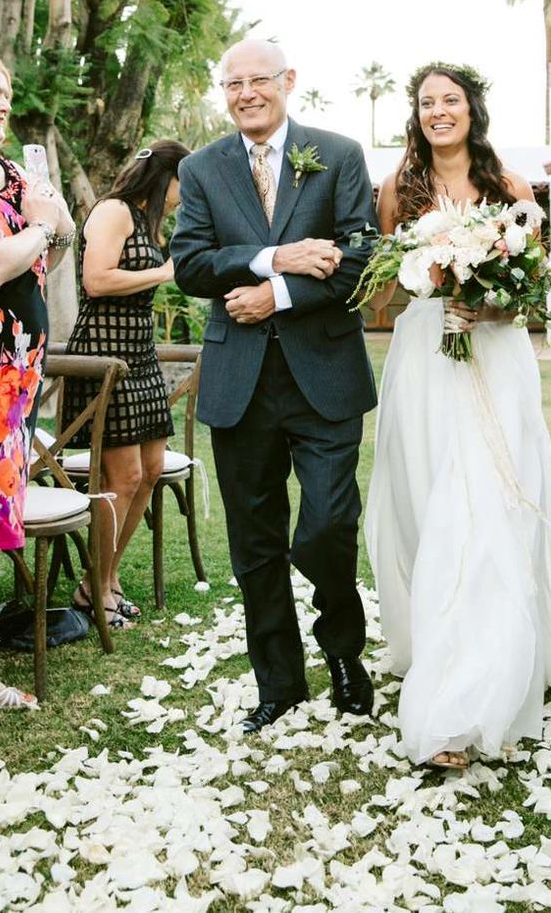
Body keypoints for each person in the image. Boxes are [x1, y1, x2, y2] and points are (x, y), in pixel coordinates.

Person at [364, 61, 551, 770]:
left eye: (451, 100)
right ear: (416, 114)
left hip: (496, 362)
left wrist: (487, 300)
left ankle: (466, 698)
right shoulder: (396, 191)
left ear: (473, 109)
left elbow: (530, 299)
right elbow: (385, 302)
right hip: (423, 363)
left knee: (485, 509)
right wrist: (427, 278)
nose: (439, 111)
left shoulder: (513, 189)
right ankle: (439, 644)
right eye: (427, 102)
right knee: (426, 505)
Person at [171, 39, 377, 733]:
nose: (247, 93)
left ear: (288, 81)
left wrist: (276, 296)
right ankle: (279, 683)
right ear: (223, 93)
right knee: (255, 543)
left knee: (327, 525)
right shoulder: (202, 170)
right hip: (240, 381)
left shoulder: (338, 155)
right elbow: (191, 265)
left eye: (259, 80)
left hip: (325, 375)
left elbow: (358, 263)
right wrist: (273, 258)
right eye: (234, 84)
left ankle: (344, 654)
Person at [61, 140, 189, 629]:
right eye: (182, 184)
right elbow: (96, 281)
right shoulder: (114, 211)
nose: (183, 195)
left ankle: (105, 580)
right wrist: (165, 271)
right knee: (124, 478)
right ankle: (93, 587)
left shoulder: (148, 220)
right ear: (164, 178)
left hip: (140, 355)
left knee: (151, 470)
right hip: (102, 353)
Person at [0, 52, 75, 722]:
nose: (0, 101)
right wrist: (41, 226)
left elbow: (65, 232)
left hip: (16, 383)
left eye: (4, 91)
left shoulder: (16, 172)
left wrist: (49, 221)